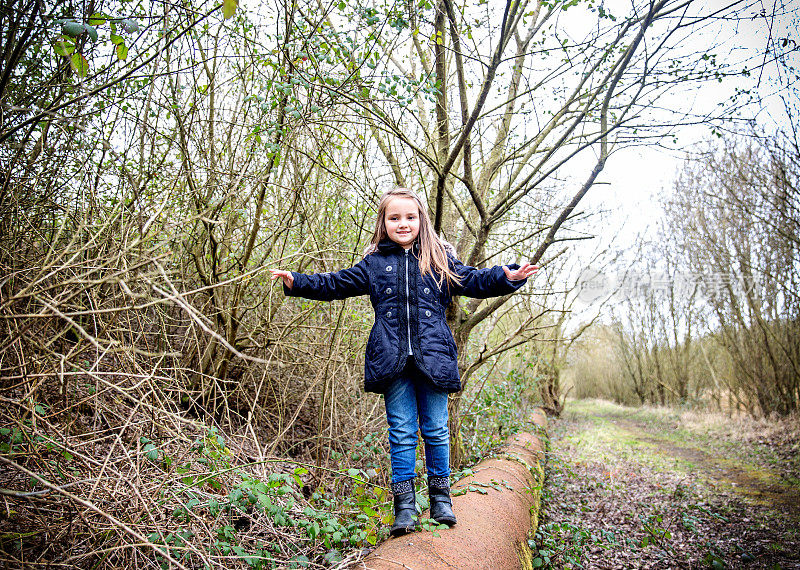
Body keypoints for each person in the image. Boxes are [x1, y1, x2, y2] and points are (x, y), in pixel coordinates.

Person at [270, 187, 537, 537]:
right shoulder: (374, 264)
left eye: (410, 217)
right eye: (394, 218)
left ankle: (441, 500)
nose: (403, 223)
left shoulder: (439, 258)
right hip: (391, 360)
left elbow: (473, 279)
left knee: (437, 430)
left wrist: (507, 276)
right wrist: (298, 282)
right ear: (384, 223)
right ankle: (405, 508)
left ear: (421, 220)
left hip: (435, 358)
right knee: (401, 433)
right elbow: (336, 283)